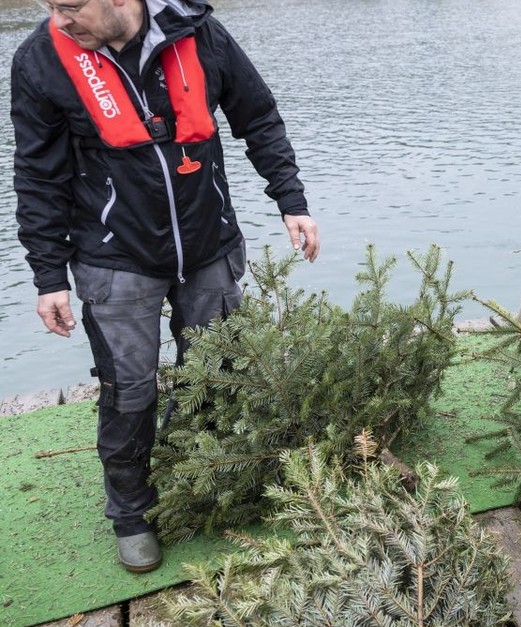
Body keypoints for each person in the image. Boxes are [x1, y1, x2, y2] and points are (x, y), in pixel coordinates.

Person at [11, 0, 319, 573]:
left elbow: (258, 116)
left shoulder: (201, 32)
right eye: (50, 6)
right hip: (114, 254)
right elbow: (37, 174)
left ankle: (206, 476)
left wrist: (290, 200)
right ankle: (131, 514)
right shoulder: (42, 60)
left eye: (71, 5)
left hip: (209, 241)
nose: (60, 19)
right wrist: (48, 275)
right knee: (128, 388)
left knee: (218, 370)